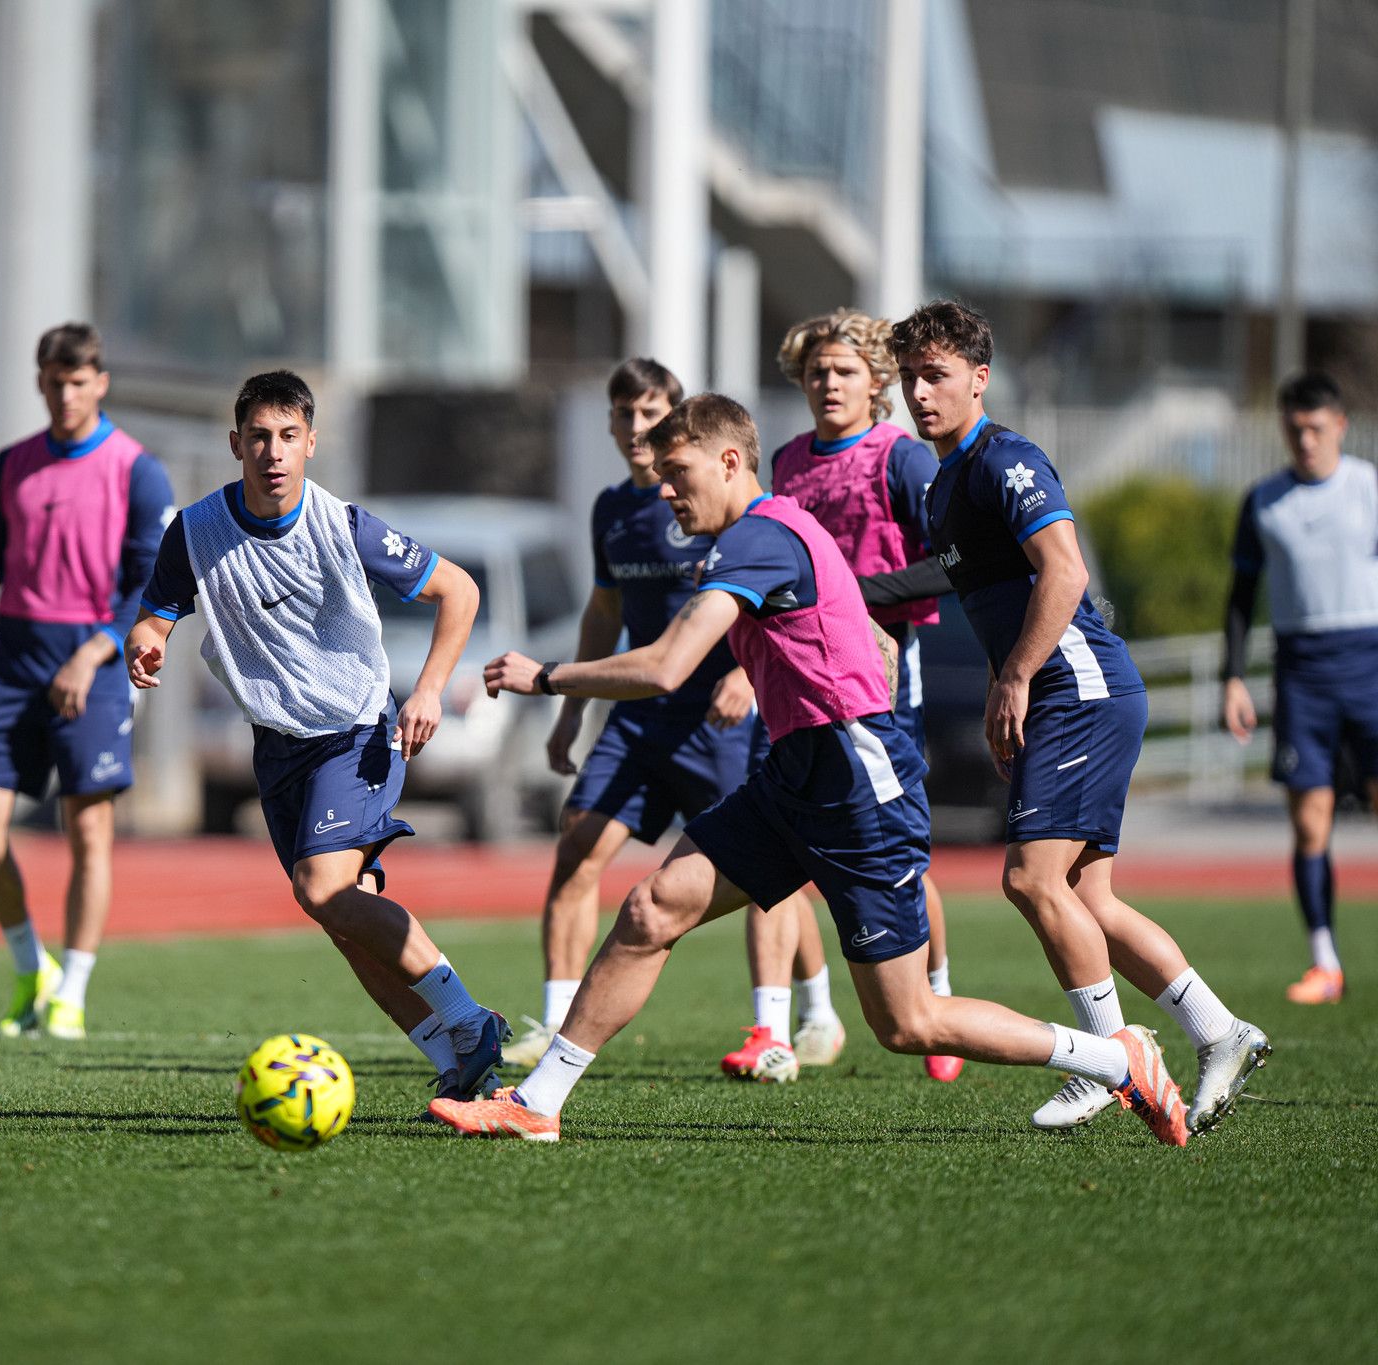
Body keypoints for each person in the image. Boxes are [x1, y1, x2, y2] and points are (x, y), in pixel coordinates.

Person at [432, 394, 1191, 1146]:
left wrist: (549, 676)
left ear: (730, 461)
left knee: (907, 1022)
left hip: (857, 787)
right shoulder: (764, 534)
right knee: (651, 910)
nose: (665, 488)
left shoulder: (759, 537)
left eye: (678, 469)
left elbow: (667, 666)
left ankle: (1115, 1056)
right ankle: (539, 1100)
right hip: (796, 773)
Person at [859, 299, 1268, 1135]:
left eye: (935, 375)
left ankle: (1109, 1054)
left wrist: (1013, 676)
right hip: (1065, 690)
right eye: (908, 377)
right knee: (1091, 899)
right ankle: (1221, 1031)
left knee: (1029, 880)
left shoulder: (1008, 460)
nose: (919, 392)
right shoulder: (943, 488)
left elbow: (1065, 574)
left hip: (1078, 686)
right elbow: (960, 581)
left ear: (980, 378)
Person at [128, 370, 509, 1104]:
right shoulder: (196, 531)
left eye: (289, 437)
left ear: (311, 443)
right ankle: (461, 1063)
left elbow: (458, 590)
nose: (274, 452)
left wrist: (427, 688)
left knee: (322, 886)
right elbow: (156, 616)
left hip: (356, 730)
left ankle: (469, 1018)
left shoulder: (343, 525)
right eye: (260, 438)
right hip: (277, 745)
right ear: (236, 443)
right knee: (343, 917)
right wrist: (143, 642)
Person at [502, 358, 806, 1083]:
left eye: (652, 415)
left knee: (768, 871)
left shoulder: (736, 515)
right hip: (640, 720)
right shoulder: (613, 510)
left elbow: (764, 609)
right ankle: (555, 1021)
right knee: (579, 847)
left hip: (718, 719)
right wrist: (570, 713)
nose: (637, 430)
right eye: (624, 415)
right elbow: (604, 613)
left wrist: (745, 675)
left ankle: (780, 1024)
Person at [0, 324, 174, 1040]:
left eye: (79, 381)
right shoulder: (11, 463)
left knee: (86, 828)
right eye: (54, 380)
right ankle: (32, 966)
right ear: (39, 381)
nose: (66, 393)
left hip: (95, 661)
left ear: (101, 383)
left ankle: (73, 989)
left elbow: (152, 582)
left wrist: (96, 652)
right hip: (16, 654)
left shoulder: (136, 469)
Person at [763, 308, 959, 1083]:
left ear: (877, 381)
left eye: (844, 370)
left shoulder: (902, 459)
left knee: (895, 856)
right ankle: (791, 1021)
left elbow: (955, 562)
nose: (828, 382)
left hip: (881, 679)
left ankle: (938, 998)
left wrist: (853, 593)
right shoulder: (783, 462)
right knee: (792, 849)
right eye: (816, 371)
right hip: (796, 683)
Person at [1223, 372, 1378, 1004]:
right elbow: (1240, 597)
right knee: (1310, 824)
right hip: (1300, 670)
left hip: (1369, 659)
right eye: (1294, 429)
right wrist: (1233, 676)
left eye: (1315, 428)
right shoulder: (1263, 500)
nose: (1305, 440)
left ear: (1339, 424)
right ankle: (1325, 962)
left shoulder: (1369, 488)